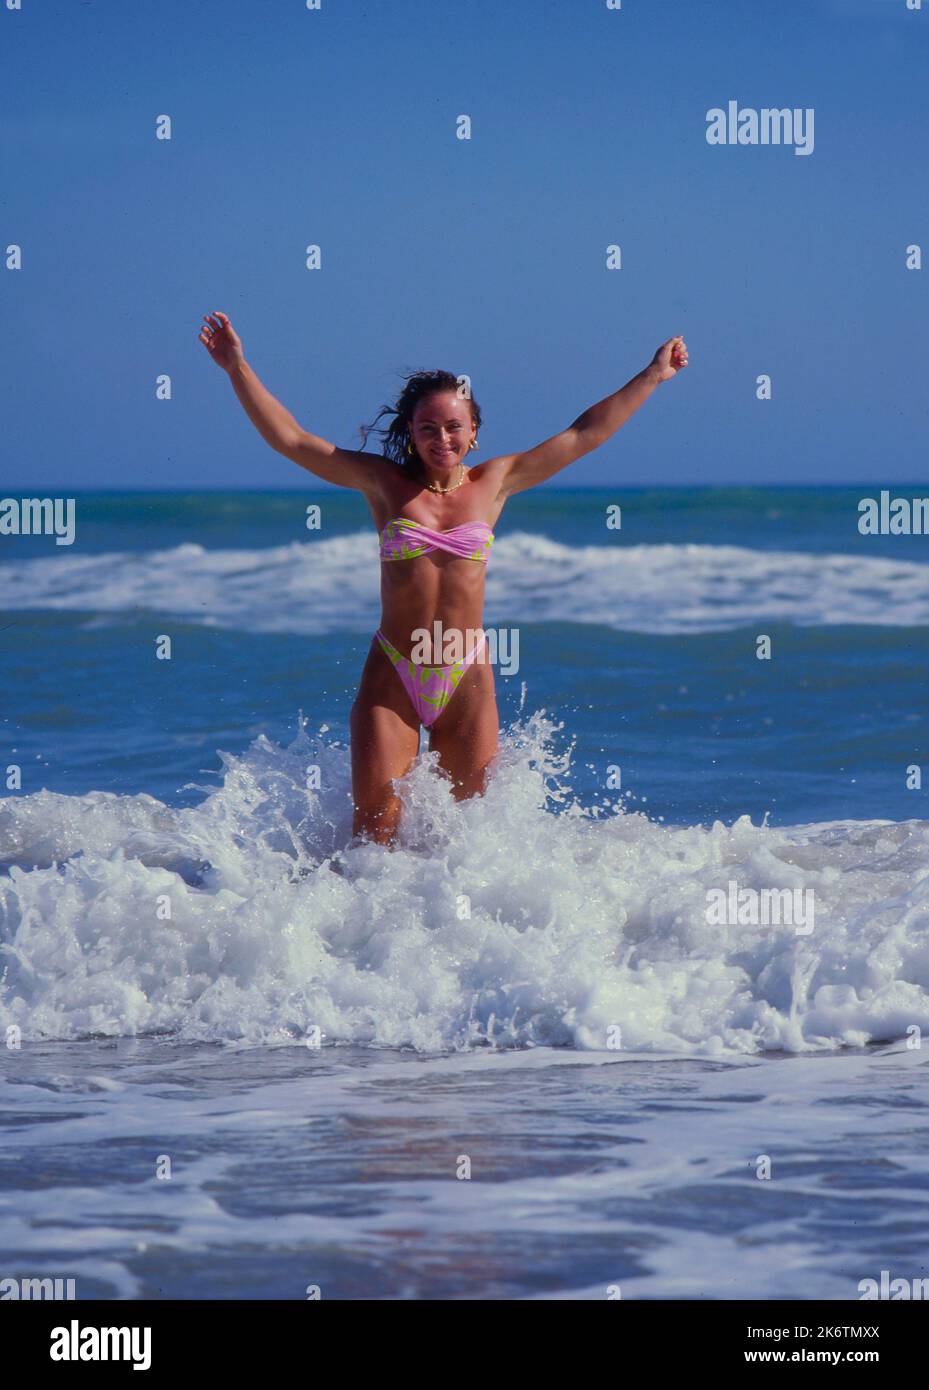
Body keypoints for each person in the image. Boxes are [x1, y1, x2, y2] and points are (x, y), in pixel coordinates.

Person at [199, 310, 688, 844]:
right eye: (427, 427)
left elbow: (583, 433)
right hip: (395, 672)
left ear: (473, 432)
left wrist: (652, 375)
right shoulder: (382, 482)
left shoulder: (496, 482)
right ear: (410, 432)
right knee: (375, 832)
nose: (441, 438)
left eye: (454, 426)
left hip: (467, 675)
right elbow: (292, 440)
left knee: (465, 842)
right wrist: (236, 368)